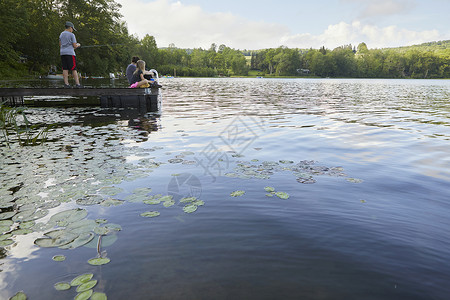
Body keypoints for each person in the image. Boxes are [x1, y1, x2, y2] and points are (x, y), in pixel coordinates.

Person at [59, 21, 83, 88]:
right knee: (73, 69)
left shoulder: (61, 34)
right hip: (70, 54)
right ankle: (77, 84)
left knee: (65, 68)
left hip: (62, 53)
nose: (72, 30)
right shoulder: (71, 35)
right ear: (70, 27)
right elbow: (74, 46)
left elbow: (60, 45)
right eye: (72, 29)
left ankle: (66, 84)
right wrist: (78, 45)